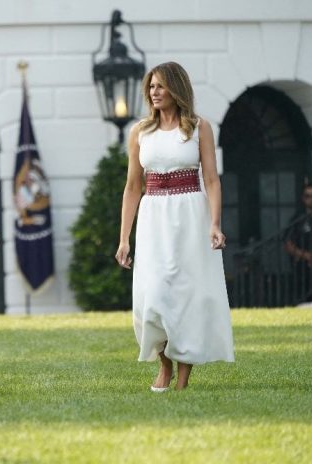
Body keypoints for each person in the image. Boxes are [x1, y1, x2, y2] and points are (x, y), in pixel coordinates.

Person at [115, 61, 235, 392]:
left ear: (176, 89)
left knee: (187, 296)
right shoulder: (140, 132)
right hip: (154, 219)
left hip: (191, 217)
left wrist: (214, 223)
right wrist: (124, 239)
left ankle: (182, 376)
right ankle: (163, 363)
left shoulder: (199, 128)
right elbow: (131, 187)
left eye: (160, 86)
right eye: (151, 87)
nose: (154, 92)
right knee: (152, 295)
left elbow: (211, 179)